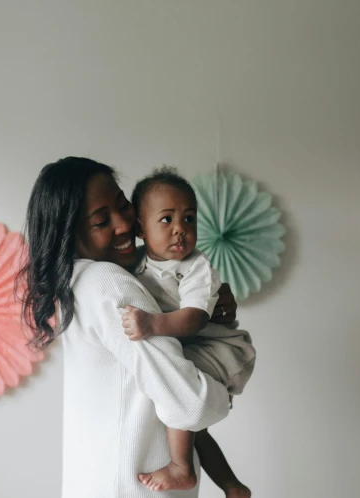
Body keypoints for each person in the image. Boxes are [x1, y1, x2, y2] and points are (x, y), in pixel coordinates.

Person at [20, 157, 237, 498]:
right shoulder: (110, 283)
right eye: (101, 220)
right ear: (71, 234)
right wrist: (223, 388)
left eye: (123, 206)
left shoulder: (77, 284)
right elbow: (193, 405)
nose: (124, 224)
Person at [122, 167, 256, 497]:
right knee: (198, 431)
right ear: (141, 228)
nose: (180, 230)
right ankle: (234, 487)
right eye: (167, 220)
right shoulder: (136, 264)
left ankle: (182, 468)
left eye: (189, 219)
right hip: (195, 348)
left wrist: (153, 325)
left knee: (179, 397)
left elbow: (195, 318)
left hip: (217, 348)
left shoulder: (196, 267)